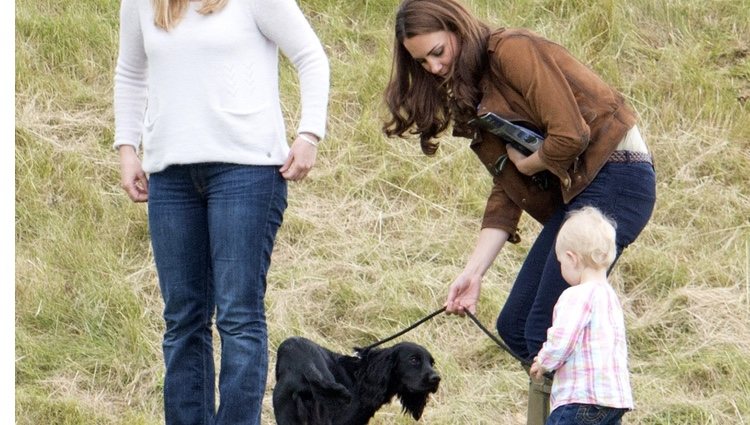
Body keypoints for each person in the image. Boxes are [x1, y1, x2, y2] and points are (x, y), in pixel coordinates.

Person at [383, 0, 655, 362]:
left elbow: (571, 134)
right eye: (421, 62)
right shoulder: (475, 89)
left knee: (542, 326)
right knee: (516, 326)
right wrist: (473, 273)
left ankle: (588, 410)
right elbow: (508, 189)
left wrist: (533, 164)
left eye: (437, 52)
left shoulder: (512, 50)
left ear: (458, 28)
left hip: (618, 176)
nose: (433, 68)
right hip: (583, 190)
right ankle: (566, 413)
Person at [113, 0, 329, 423]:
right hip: (170, 176)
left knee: (238, 316)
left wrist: (309, 133)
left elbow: (310, 56)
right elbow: (130, 71)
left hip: (246, 172)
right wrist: (127, 149)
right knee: (182, 320)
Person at [530, 206, 633, 424]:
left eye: (560, 262)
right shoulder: (610, 297)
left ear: (572, 258)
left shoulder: (575, 295)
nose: (561, 268)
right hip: (614, 400)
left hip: (580, 399)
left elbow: (561, 341)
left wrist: (543, 361)